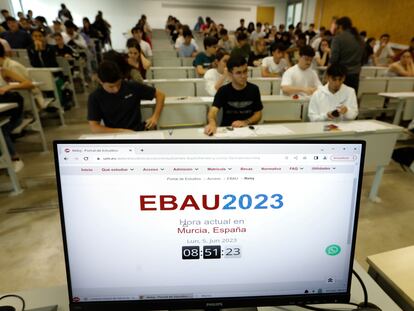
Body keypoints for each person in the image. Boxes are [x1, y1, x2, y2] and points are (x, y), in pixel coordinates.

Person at [88, 61, 165, 133]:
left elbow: (160, 95)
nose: (116, 89)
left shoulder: (132, 86)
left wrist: (155, 117)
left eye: (118, 84)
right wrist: (122, 132)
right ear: (101, 82)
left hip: (138, 132)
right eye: (111, 87)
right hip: (115, 135)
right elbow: (94, 127)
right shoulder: (95, 97)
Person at [204, 55, 263, 136]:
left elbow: (258, 114)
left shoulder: (254, 89)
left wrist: (245, 122)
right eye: (238, 73)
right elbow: (213, 111)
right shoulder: (223, 90)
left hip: (248, 131)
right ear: (230, 74)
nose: (243, 76)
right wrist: (212, 123)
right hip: (227, 130)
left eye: (245, 71)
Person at [0, 57, 34, 171]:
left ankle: (15, 158)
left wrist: (9, 86)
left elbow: (28, 83)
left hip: (12, 111)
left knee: (1, 128)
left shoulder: (3, 71)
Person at [329, 16, 364, 92]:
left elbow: (334, 59)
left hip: (340, 76)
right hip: (355, 75)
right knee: (351, 100)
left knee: (338, 101)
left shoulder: (338, 38)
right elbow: (364, 58)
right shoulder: (360, 38)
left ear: (340, 26)